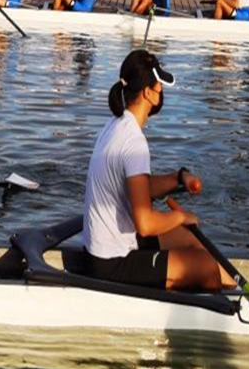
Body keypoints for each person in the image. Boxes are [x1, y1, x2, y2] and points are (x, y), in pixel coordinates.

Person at [83, 50, 234, 290]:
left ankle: (233, 291)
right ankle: (216, 304)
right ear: (147, 94)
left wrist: (178, 178)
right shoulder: (134, 143)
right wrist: (180, 217)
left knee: (191, 240)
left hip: (110, 246)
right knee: (205, 266)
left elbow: (141, 187)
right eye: (159, 87)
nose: (161, 92)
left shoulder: (116, 123)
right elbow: (145, 223)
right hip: (112, 262)